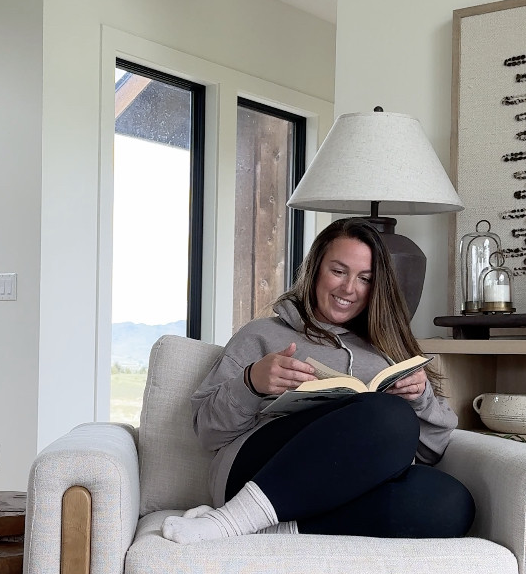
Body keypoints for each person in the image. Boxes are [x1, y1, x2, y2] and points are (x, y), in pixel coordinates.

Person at [160, 217, 475, 543]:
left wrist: (420, 397)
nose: (349, 289)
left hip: (336, 490)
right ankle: (230, 521)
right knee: (388, 416)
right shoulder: (262, 334)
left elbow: (433, 451)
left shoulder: (387, 351)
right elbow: (207, 431)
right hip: (254, 473)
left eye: (364, 278)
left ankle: (277, 528)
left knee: (451, 503)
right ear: (315, 270)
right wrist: (251, 383)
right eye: (338, 271)